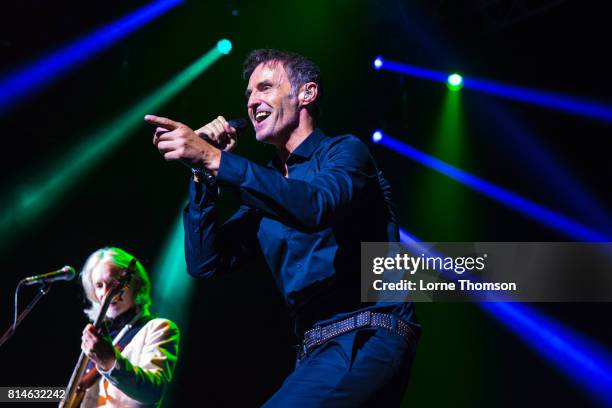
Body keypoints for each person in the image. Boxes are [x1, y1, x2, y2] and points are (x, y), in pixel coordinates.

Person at [146, 49, 419, 406]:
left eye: (265, 88)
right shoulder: (266, 187)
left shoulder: (345, 153)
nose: (252, 101)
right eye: (248, 95)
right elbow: (205, 263)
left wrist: (216, 159)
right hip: (313, 351)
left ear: (307, 93)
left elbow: (315, 206)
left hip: (366, 334)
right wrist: (203, 174)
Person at [78, 247, 180, 408]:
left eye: (114, 283)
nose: (106, 292)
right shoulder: (100, 337)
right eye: (99, 285)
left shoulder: (159, 328)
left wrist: (110, 361)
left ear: (135, 284)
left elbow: (152, 392)